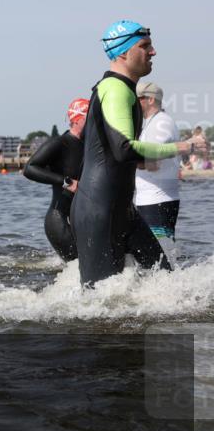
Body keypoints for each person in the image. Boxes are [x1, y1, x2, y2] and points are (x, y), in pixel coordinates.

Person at [71, 21, 207, 285]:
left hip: (121, 210)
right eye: (145, 46)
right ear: (123, 53)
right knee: (99, 306)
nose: (153, 52)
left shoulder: (122, 89)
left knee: (166, 283)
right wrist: (183, 146)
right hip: (100, 212)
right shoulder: (115, 89)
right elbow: (124, 149)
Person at [23, 98, 88, 262]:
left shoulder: (90, 146)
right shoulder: (59, 143)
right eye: (91, 118)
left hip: (82, 219)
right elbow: (30, 168)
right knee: (79, 267)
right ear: (77, 119)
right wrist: (67, 182)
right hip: (59, 219)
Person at [133, 82, 181, 263]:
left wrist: (123, 161)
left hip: (158, 200)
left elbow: (153, 163)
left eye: (137, 99)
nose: (134, 103)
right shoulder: (151, 123)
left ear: (150, 99)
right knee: (157, 256)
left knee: (161, 257)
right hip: (152, 199)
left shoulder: (161, 123)